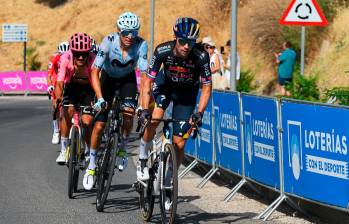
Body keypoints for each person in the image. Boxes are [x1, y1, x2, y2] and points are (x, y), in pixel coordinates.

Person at [138, 17, 212, 209]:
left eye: (191, 42)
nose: (187, 46)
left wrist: (200, 112)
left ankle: (169, 182)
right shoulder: (162, 51)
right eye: (183, 41)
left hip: (187, 94)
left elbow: (206, 86)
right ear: (175, 37)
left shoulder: (201, 56)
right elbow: (147, 81)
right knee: (153, 120)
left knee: (179, 142)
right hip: (165, 87)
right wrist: (145, 109)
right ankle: (143, 158)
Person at [87, 12, 148, 190]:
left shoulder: (141, 44)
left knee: (129, 114)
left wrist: (143, 106)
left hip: (127, 80)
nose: (130, 36)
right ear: (119, 31)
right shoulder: (108, 41)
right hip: (107, 79)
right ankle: (91, 166)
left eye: (134, 32)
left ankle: (122, 147)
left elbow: (144, 77)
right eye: (126, 32)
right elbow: (94, 71)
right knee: (98, 125)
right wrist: (99, 98)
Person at [55, 33, 96, 175]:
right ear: (72, 52)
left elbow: (97, 81)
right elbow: (59, 82)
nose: (80, 57)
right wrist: (58, 98)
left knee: (87, 121)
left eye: (83, 54)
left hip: (88, 89)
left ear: (88, 53)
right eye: (77, 54)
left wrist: (99, 98)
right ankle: (64, 149)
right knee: (67, 111)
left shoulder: (92, 59)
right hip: (71, 87)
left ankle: (88, 151)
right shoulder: (66, 57)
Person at [47, 41, 69, 144]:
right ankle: (56, 131)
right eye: (61, 54)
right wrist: (50, 85)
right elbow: (49, 74)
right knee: (55, 106)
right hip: (57, 80)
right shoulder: (54, 57)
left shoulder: (71, 56)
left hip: (67, 79)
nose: (63, 56)